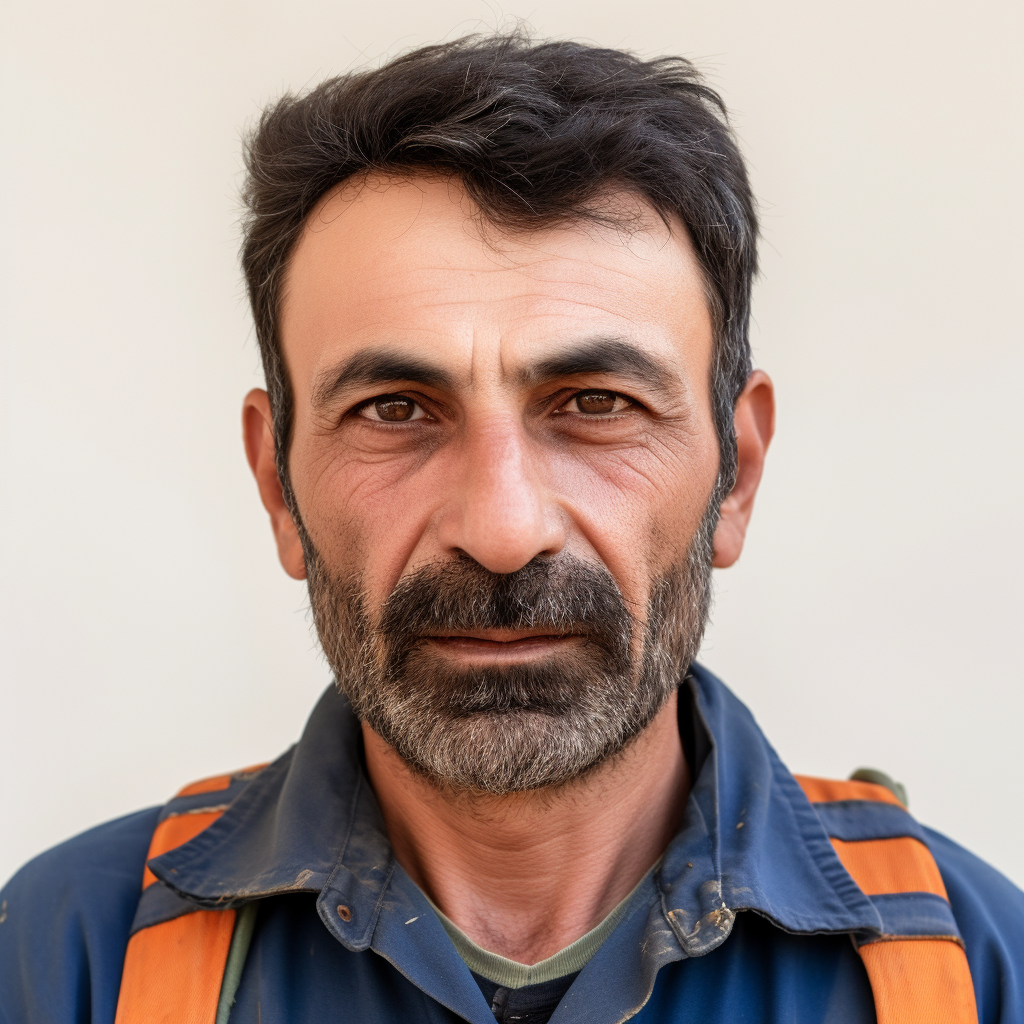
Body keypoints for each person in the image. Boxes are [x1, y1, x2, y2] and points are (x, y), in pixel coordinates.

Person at [1, 32, 1021, 1024]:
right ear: (277, 483)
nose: (500, 529)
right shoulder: (59, 962)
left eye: (596, 403)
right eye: (395, 409)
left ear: (736, 473)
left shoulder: (984, 974)